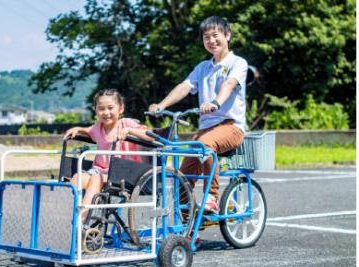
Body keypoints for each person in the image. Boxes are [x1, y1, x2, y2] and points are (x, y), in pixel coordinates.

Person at [148, 16, 247, 214]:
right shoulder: (202, 67)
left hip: (231, 127)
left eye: (215, 35)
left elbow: (229, 85)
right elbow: (185, 86)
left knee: (205, 145)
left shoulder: (238, 63)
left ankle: (212, 197)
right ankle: (188, 227)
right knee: (183, 177)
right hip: (205, 131)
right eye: (206, 37)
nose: (211, 41)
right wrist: (161, 105)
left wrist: (215, 103)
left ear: (227, 35)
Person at [64, 89, 153, 222]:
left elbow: (150, 136)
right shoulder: (98, 127)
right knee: (77, 178)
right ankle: (92, 204)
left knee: (95, 179)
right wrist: (78, 129)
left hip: (123, 173)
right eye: (101, 109)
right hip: (99, 170)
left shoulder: (126, 123)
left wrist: (130, 131)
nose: (106, 113)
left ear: (120, 108)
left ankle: (81, 221)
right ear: (96, 110)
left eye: (110, 108)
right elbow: (88, 131)